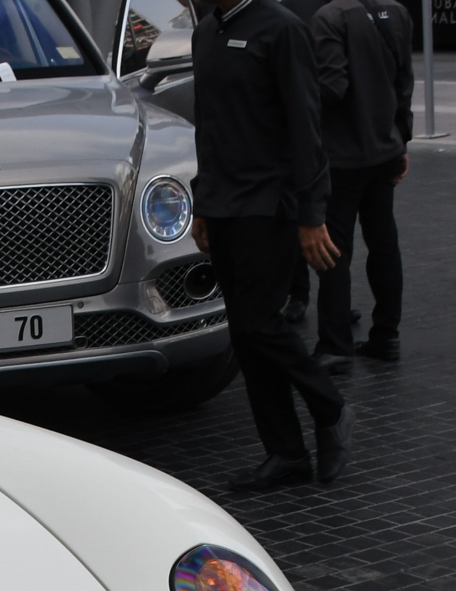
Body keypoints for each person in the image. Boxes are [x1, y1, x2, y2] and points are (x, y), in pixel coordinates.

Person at [188, 0, 350, 491]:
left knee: (260, 324)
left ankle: (330, 405)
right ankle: (286, 453)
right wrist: (203, 201)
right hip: (224, 206)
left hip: (268, 205)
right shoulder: (208, 33)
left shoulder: (281, 29)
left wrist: (311, 213)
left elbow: (306, 127)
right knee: (245, 335)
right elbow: (209, 127)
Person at [311, 0, 413, 366]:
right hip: (383, 147)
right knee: (384, 243)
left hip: (343, 154)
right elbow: (404, 81)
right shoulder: (396, 11)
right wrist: (402, 138)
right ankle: (387, 335)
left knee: (334, 250)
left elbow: (331, 86)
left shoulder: (330, 17)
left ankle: (335, 345)